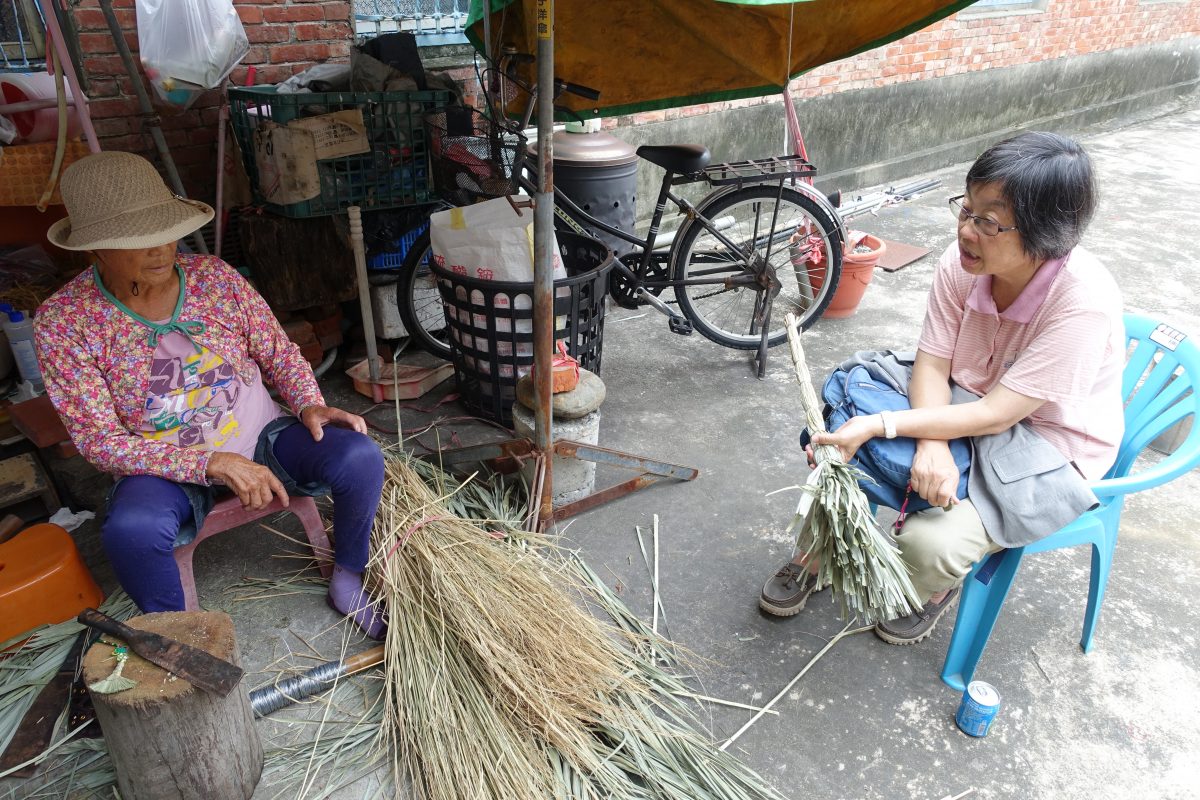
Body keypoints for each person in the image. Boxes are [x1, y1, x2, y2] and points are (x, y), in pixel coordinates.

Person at [760, 131, 1125, 644]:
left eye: (989, 221)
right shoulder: (963, 264)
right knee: (832, 450)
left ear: (1047, 235)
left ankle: (932, 587)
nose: (966, 231)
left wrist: (885, 424)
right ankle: (821, 553)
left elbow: (999, 415)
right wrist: (931, 443)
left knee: (931, 547)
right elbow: (932, 365)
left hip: (1042, 441)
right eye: (966, 208)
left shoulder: (1081, 304)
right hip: (961, 399)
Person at [35, 151, 387, 639]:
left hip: (261, 437)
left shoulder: (214, 279)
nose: (162, 250)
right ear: (95, 248)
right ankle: (179, 635)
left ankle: (348, 578)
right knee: (130, 533)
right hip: (163, 467)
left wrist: (308, 399)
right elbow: (99, 441)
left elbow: (278, 352)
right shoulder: (65, 322)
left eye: (166, 231)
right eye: (141, 241)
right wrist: (209, 464)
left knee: (359, 457)